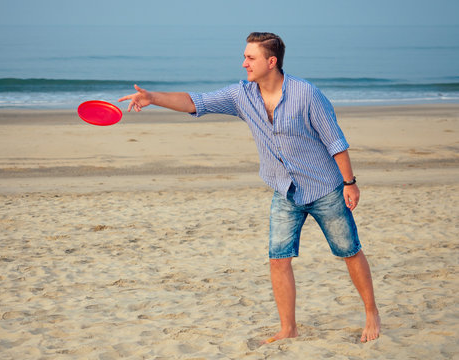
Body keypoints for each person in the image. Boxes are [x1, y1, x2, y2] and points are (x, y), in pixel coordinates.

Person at [118, 32, 380, 343]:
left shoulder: (306, 94)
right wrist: (152, 98)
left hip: (325, 187)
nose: (244, 63)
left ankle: (371, 313)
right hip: (285, 190)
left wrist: (349, 183)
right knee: (278, 258)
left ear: (271, 62)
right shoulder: (242, 95)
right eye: (244, 56)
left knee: (349, 251)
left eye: (250, 58)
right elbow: (195, 101)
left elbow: (335, 141)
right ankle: (288, 328)